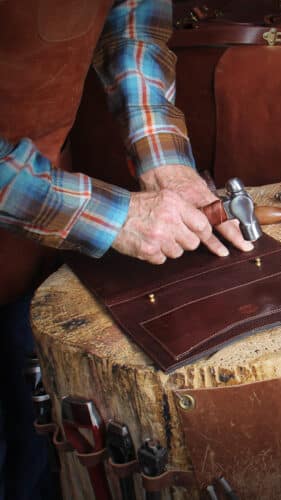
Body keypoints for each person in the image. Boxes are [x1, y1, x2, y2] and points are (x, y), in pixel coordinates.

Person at [0, 1, 252, 498]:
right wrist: (118, 217)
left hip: (32, 244)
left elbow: (131, 35)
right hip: (48, 203)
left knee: (34, 450)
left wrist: (168, 165)